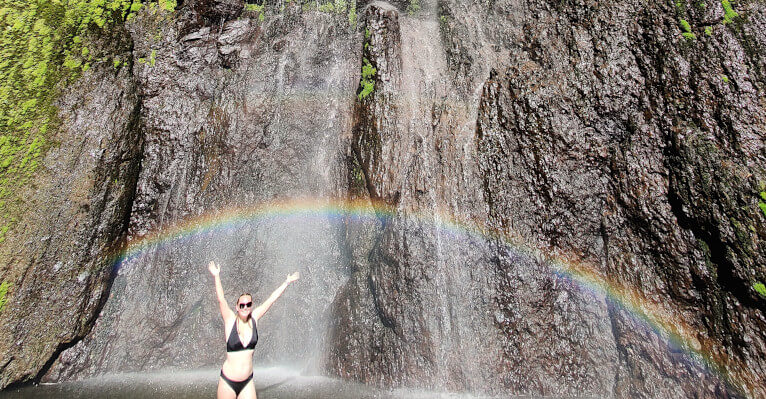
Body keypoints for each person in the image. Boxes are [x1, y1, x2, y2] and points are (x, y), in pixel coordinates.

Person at [208, 260, 300, 399]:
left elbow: (270, 300)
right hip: (228, 381)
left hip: (247, 382)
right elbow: (221, 300)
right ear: (237, 307)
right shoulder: (230, 320)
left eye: (248, 304)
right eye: (242, 305)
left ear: (251, 306)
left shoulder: (255, 318)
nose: (245, 307)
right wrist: (216, 276)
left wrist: (286, 282)